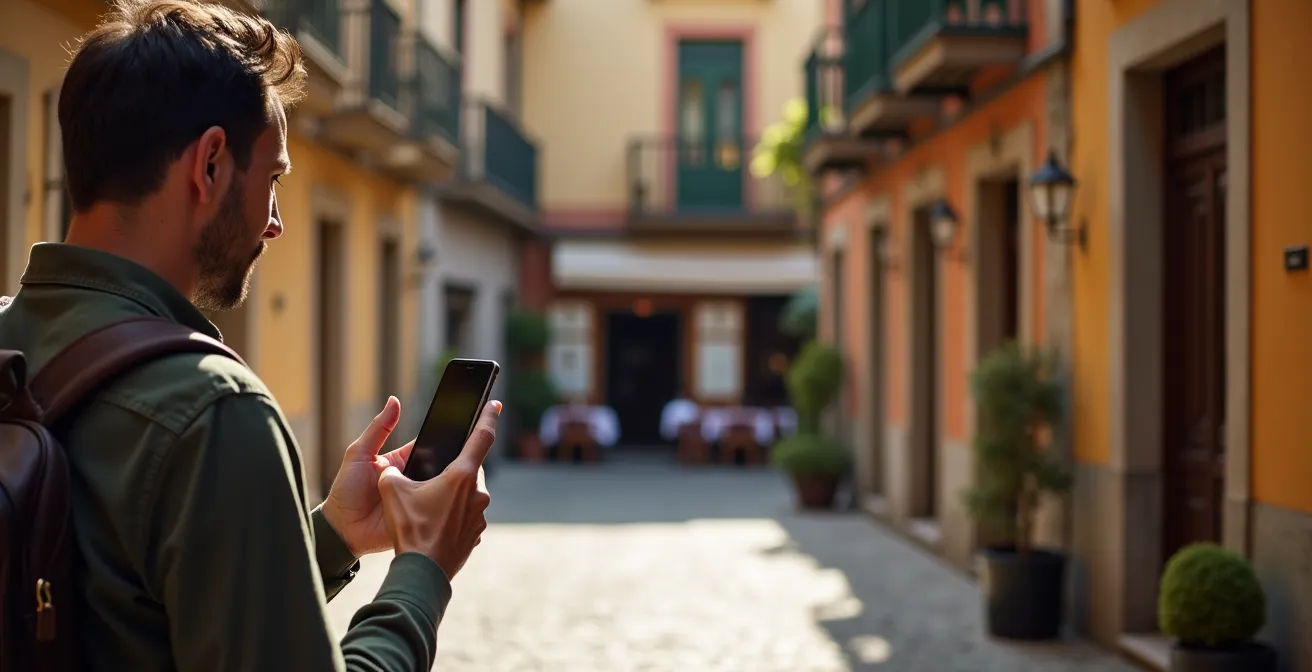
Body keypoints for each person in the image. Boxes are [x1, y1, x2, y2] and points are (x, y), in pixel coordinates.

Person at [0, 0, 494, 669]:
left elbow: (128, 619)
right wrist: (422, 571)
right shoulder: (213, 413)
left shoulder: (14, 346)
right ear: (209, 165)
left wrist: (328, 535)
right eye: (273, 179)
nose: (275, 223)